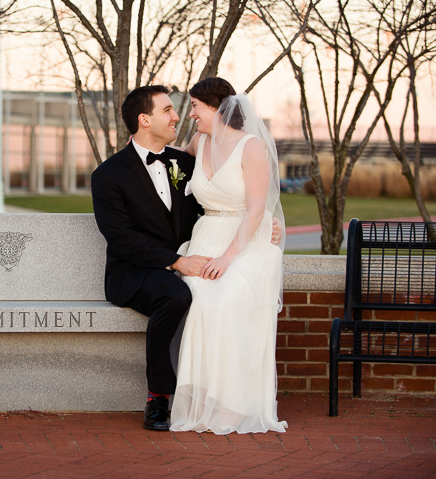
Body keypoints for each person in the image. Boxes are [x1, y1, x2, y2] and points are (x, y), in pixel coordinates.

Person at [91, 85, 281, 431]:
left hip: (195, 254)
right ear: (144, 119)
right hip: (136, 269)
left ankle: (220, 397)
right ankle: (158, 398)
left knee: (201, 297)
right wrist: (177, 262)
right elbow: (121, 238)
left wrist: (269, 223)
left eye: (182, 108)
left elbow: (222, 200)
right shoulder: (108, 175)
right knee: (178, 294)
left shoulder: (183, 160)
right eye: (167, 110)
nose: (178, 115)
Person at [169, 77, 288, 434]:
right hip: (206, 236)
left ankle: (237, 403)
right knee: (199, 300)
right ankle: (205, 398)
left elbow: (255, 209)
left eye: (195, 106)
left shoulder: (251, 147)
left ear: (218, 107)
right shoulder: (198, 142)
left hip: (246, 241)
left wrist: (227, 258)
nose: (190, 114)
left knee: (224, 302)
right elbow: (169, 162)